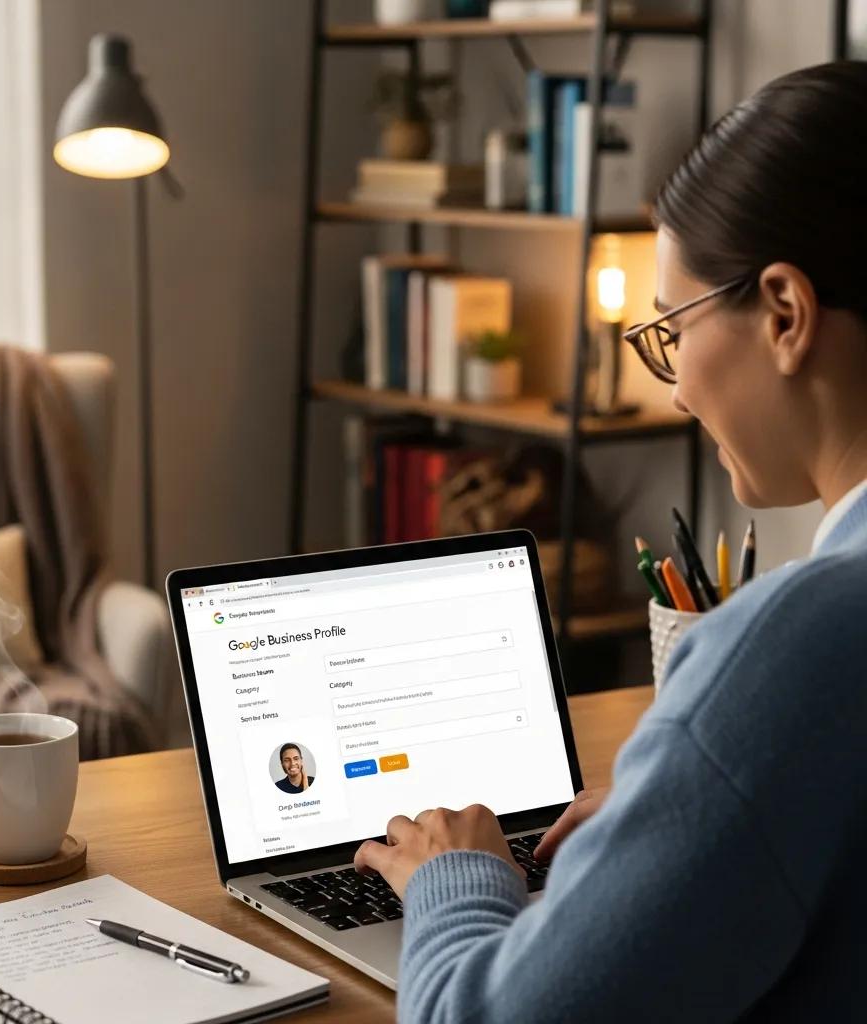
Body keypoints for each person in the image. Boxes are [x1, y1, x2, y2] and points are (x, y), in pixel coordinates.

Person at [354, 61, 867, 1022]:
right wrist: (679, 825)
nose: (675, 390)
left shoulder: (794, 644)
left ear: (787, 315)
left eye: (670, 330)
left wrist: (456, 878)